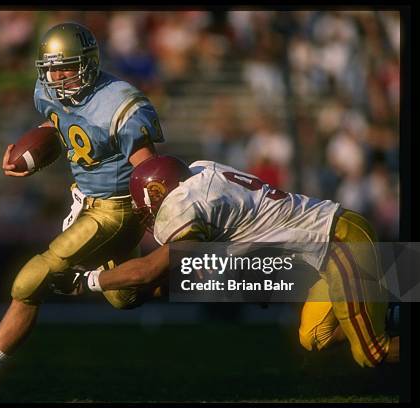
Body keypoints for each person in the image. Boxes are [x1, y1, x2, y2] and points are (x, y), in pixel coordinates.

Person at [0, 22, 165, 402]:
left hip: (117, 209)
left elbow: (151, 173)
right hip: (85, 200)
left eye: (65, 67)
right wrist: (32, 156)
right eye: (50, 68)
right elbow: (60, 129)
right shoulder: (49, 92)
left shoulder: (120, 102)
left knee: (31, 280)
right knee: (125, 296)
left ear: (87, 64)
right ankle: (185, 273)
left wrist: (157, 217)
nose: (55, 76)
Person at [65, 155, 399, 367]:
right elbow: (191, 277)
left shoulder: (182, 205)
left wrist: (88, 281)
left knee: (372, 353)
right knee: (315, 336)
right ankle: (388, 307)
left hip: (339, 242)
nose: (147, 216)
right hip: (326, 251)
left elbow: (153, 270)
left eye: (146, 207)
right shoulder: (201, 173)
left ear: (158, 195)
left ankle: (384, 304)